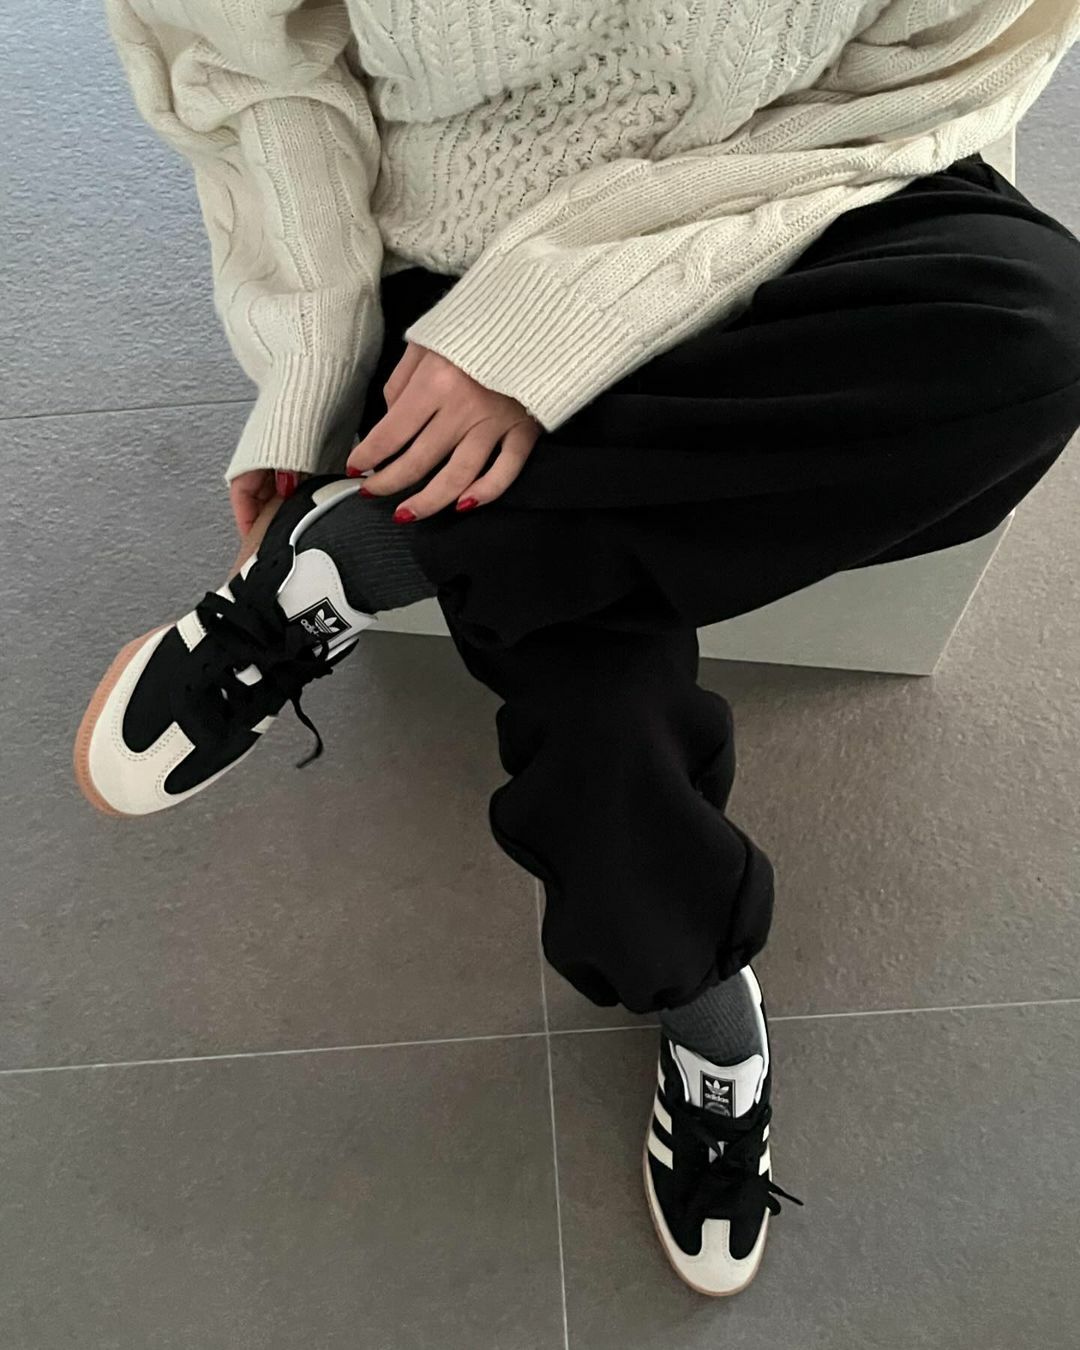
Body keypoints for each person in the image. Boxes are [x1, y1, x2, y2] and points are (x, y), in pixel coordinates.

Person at [91, 0, 1080, 1295]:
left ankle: (385, 547)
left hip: (788, 191)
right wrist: (317, 366)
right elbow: (251, 67)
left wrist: (557, 328)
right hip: (453, 248)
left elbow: (929, 77)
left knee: (1037, 329)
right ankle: (702, 1004)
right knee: (601, 714)